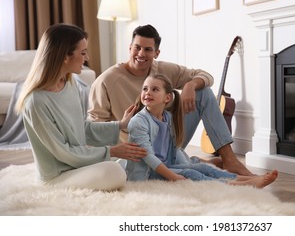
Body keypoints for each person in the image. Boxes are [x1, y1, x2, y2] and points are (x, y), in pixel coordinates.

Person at [88, 24, 256, 176]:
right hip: (137, 147)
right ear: (130, 47)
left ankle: (229, 160)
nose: (141, 54)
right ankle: (195, 162)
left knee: (203, 92)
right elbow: (95, 127)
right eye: (137, 48)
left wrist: (190, 84)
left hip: (168, 138)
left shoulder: (162, 69)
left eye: (148, 49)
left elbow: (206, 76)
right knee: (182, 168)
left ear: (156, 53)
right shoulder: (106, 81)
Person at [15, 23, 147, 191]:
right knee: (114, 171)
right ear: (65, 56)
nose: (87, 58)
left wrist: (120, 125)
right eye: (83, 53)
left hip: (77, 166)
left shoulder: (70, 84)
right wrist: (112, 151)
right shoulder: (36, 102)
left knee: (135, 158)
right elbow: (64, 152)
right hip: (57, 176)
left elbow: (81, 128)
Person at [126, 73, 278, 187]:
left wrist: (185, 165)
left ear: (167, 98)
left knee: (200, 167)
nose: (147, 92)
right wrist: (174, 176)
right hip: (148, 173)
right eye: (145, 89)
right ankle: (236, 186)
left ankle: (244, 178)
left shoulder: (167, 117)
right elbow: (149, 158)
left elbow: (172, 149)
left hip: (166, 165)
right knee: (191, 173)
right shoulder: (138, 122)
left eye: (154, 89)